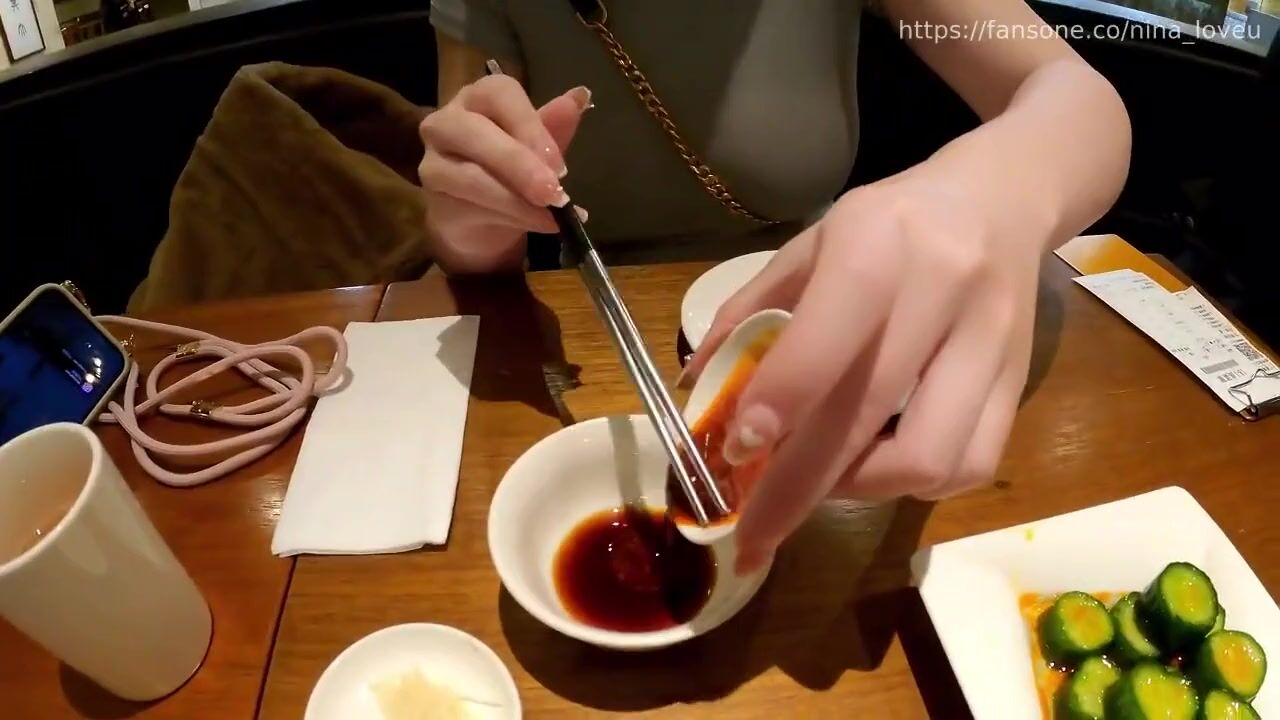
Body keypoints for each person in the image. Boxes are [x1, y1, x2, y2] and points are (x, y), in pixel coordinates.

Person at [421, 0, 1131, 574]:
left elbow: (1073, 93)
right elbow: (473, 255)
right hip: (585, 346)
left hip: (834, 327)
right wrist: (471, 218)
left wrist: (996, 192)